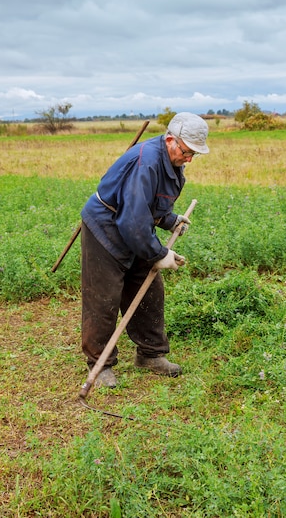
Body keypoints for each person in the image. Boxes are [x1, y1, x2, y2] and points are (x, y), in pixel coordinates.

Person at [80, 112, 210, 387]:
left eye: (193, 155)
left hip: (134, 226)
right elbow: (131, 219)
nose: (189, 159)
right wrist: (159, 254)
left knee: (149, 289)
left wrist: (170, 219)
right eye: (187, 152)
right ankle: (100, 363)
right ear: (171, 140)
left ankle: (150, 355)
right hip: (107, 226)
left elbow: (148, 205)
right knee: (104, 297)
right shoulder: (146, 163)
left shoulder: (171, 161)